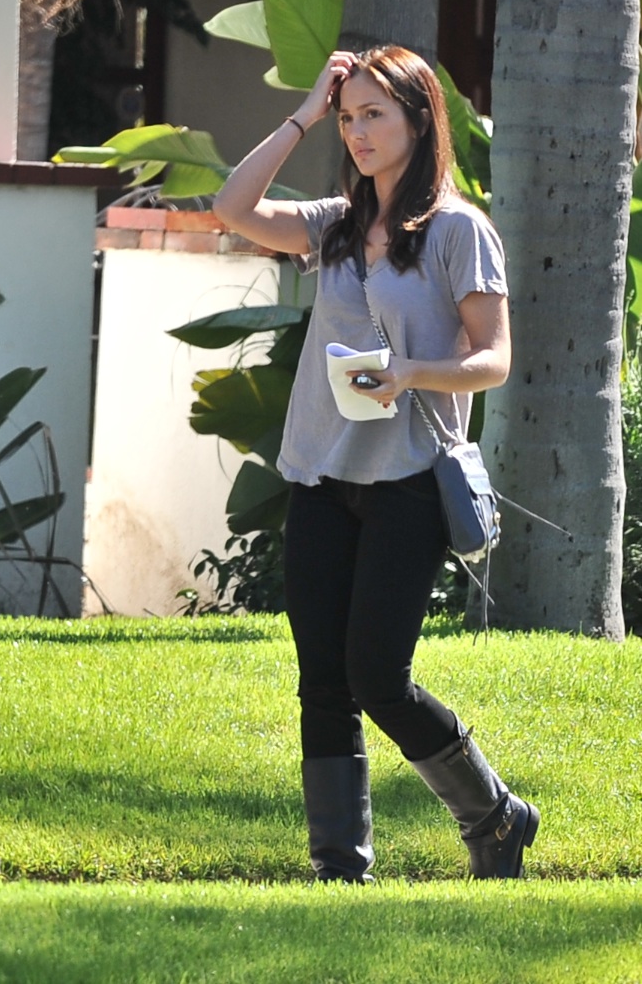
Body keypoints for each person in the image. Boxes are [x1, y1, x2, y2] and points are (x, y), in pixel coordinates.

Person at [212, 45, 539, 882]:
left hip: (408, 480)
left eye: (373, 115)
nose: (356, 132)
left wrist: (410, 373)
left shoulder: (458, 231)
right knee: (321, 681)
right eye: (347, 117)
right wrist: (304, 113)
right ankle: (338, 868)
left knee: (376, 678)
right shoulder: (333, 223)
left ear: (418, 120)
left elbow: (493, 359)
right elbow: (232, 206)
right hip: (321, 476)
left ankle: (494, 816)